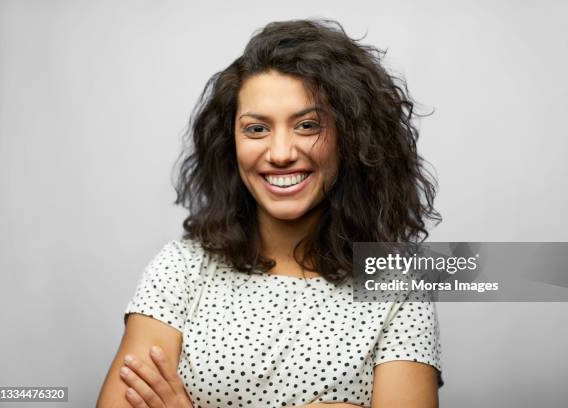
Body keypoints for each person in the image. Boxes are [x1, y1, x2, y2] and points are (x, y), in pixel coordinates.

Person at [97, 18, 443, 408]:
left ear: (352, 138)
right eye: (257, 129)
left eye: (307, 125)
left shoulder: (398, 286)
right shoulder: (181, 268)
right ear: (231, 142)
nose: (280, 153)